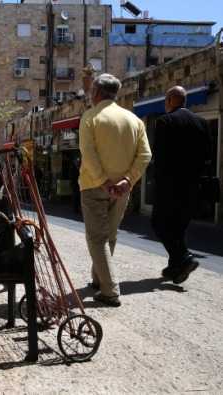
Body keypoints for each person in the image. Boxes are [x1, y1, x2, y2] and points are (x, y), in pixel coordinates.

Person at [79, 73, 151, 307]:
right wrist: (128, 181)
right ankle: (98, 279)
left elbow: (88, 154)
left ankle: (110, 290)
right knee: (109, 235)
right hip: (122, 189)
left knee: (97, 238)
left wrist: (103, 181)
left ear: (97, 93)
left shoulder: (90, 117)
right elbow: (145, 155)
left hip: (93, 186)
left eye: (91, 92)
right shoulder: (134, 120)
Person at [152, 86, 211, 284]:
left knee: (159, 224)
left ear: (169, 101)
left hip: (169, 185)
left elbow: (160, 157)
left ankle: (184, 257)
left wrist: (156, 184)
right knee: (178, 228)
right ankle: (175, 269)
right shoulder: (202, 123)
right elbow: (207, 156)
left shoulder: (164, 121)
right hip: (192, 186)